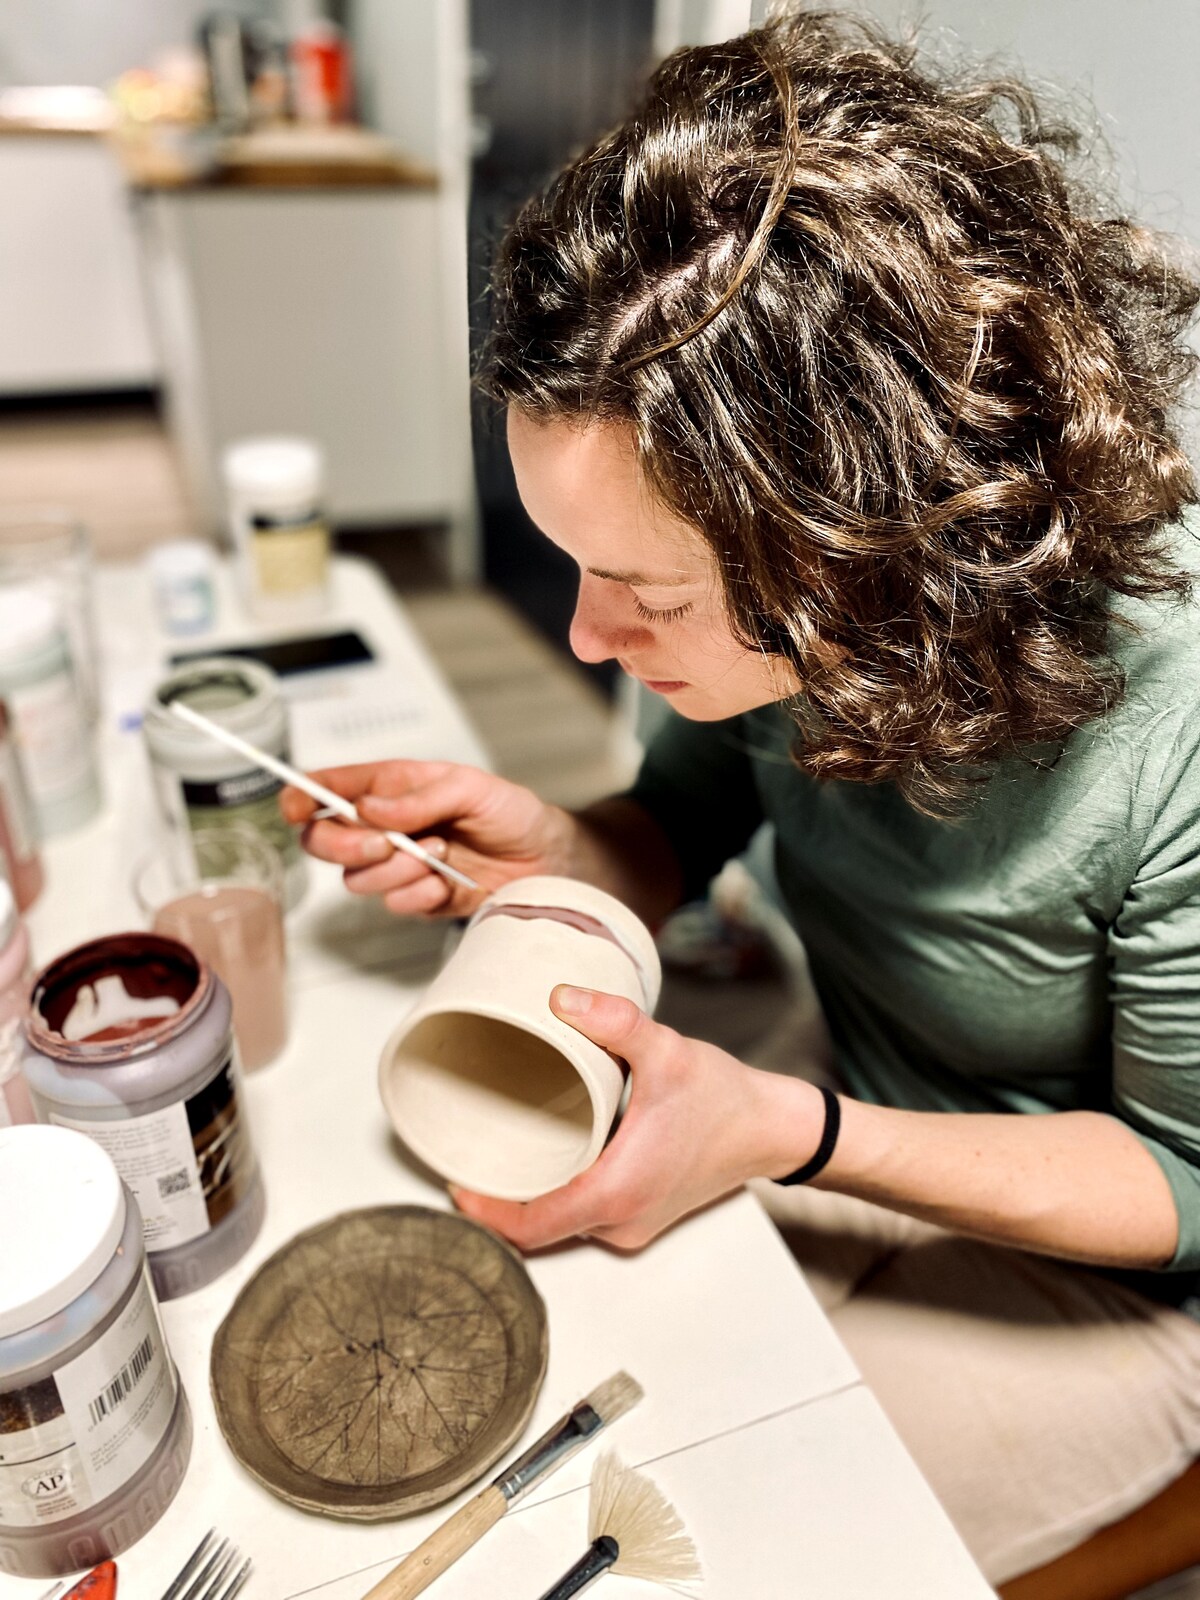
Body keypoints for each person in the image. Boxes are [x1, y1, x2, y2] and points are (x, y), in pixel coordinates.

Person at [282, 10, 1200, 1586]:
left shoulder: (1170, 740)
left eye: (642, 592)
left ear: (872, 553)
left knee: (712, 1534)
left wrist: (793, 1130)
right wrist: (559, 850)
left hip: (1113, 1264)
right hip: (851, 1097)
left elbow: (1184, 1182)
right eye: (576, 567)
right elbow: (680, 825)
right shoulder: (801, 635)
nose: (587, 639)